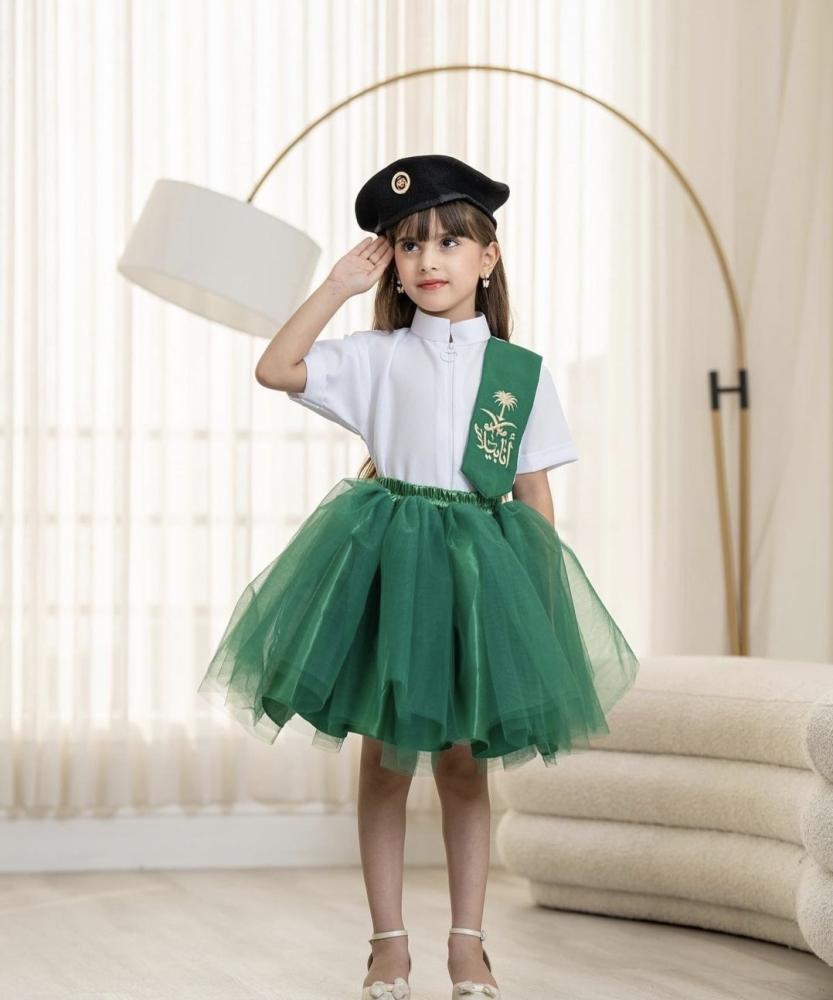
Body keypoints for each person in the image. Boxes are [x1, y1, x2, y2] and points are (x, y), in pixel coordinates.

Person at [198, 154, 640, 1000]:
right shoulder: (376, 356)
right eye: (408, 245)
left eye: (447, 241)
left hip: (481, 578)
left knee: (465, 766)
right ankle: (387, 946)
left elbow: (532, 492)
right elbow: (276, 368)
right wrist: (335, 286)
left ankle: (469, 946)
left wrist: (540, 608)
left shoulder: (517, 373)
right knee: (385, 762)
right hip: (390, 568)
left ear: (487, 256)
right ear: (391, 265)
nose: (427, 259)